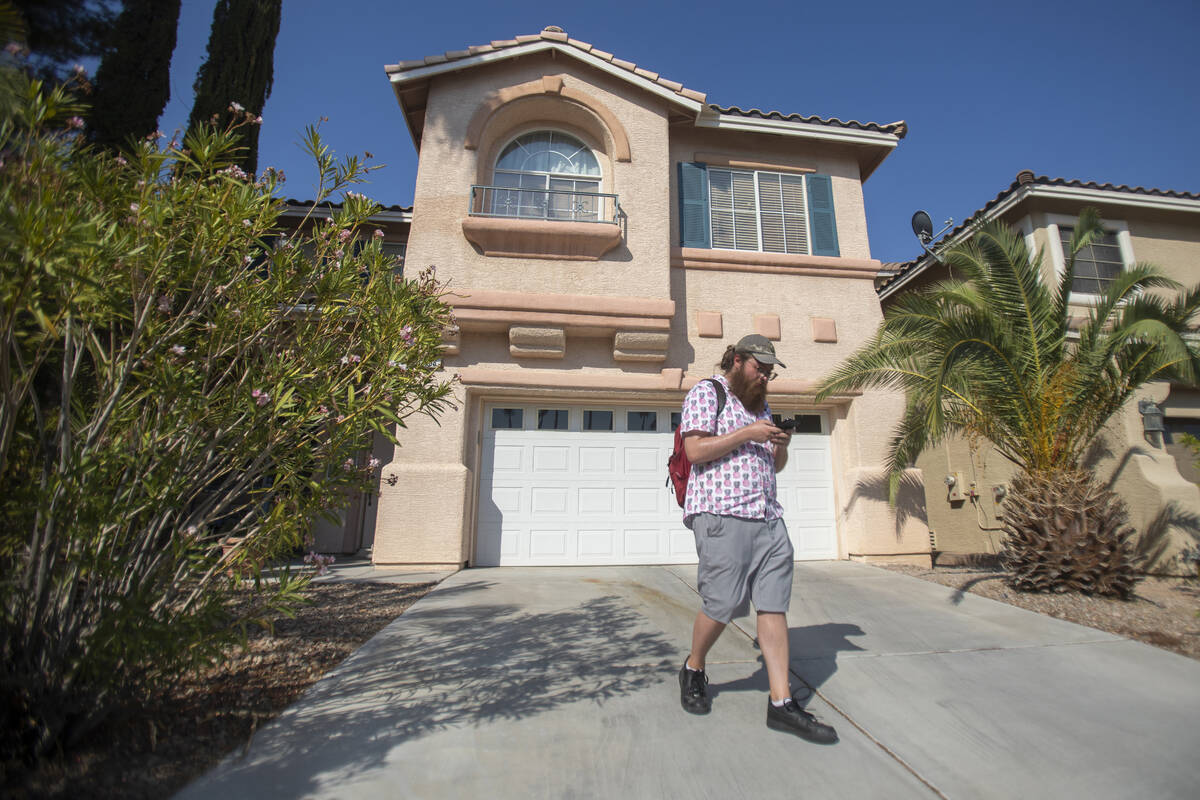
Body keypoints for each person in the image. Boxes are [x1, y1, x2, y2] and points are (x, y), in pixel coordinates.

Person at [676, 334, 838, 744]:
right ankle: (694, 667)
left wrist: (780, 445)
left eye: (769, 370)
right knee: (724, 602)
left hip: (768, 517)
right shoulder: (706, 392)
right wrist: (748, 432)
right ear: (735, 360)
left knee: (773, 604)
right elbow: (695, 451)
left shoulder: (761, 406)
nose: (764, 375)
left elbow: (774, 466)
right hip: (721, 515)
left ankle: (781, 703)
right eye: (758, 367)